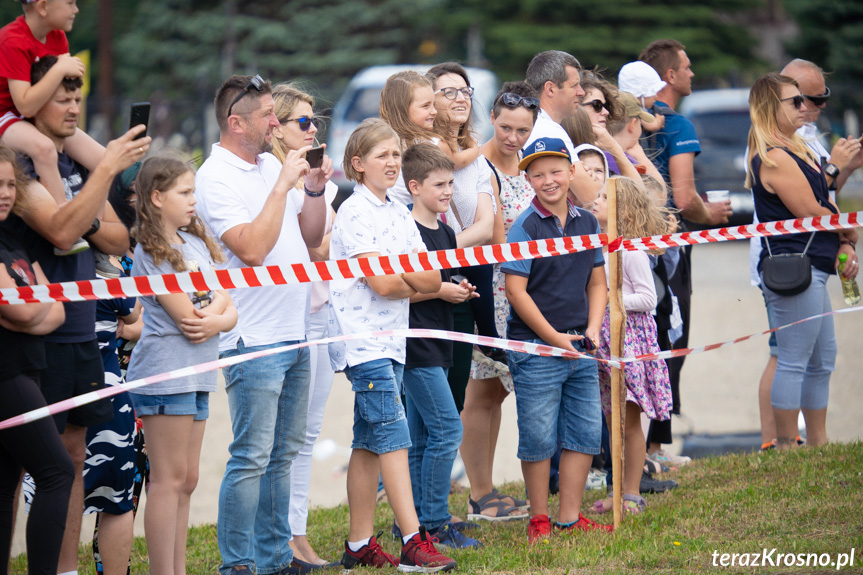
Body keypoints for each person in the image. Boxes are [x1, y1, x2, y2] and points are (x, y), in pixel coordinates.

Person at [7, 54, 148, 575]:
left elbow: (115, 236)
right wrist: (97, 184)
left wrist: (79, 209)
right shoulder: (18, 165)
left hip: (83, 327)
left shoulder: (74, 161)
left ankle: (65, 567)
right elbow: (62, 232)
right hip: (38, 333)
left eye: (76, 99)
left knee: (71, 459)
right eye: (61, 98)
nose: (71, 108)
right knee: (34, 464)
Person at [194, 73, 330, 575]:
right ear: (236, 123)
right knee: (250, 456)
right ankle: (238, 565)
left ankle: (276, 559)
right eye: (267, 114)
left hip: (294, 332)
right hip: (252, 338)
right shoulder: (216, 177)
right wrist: (281, 184)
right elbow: (251, 250)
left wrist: (312, 190)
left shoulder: (272, 162)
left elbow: (311, 239)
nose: (277, 122)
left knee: (282, 455)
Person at [328, 118, 455, 571]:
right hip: (364, 344)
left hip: (393, 339)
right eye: (382, 155)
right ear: (358, 164)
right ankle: (411, 540)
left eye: (397, 154)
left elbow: (432, 278)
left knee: (367, 442)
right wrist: (404, 277)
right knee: (393, 437)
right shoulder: (355, 211)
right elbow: (383, 284)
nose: (392, 162)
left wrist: (399, 276)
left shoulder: (399, 212)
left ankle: (359, 544)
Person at [126, 156, 237, 575]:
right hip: (165, 374)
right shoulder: (152, 253)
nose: (194, 200)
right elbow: (188, 317)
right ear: (156, 197)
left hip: (199, 371)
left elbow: (226, 304)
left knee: (187, 480)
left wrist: (219, 316)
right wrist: (217, 314)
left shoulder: (192, 245)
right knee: (168, 481)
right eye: (185, 193)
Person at [502, 137, 612, 542]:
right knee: (538, 435)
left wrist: (594, 328)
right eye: (538, 173)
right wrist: (552, 338)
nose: (549, 180)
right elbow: (516, 291)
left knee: (584, 432)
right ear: (527, 178)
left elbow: (597, 282)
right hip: (535, 349)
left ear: (570, 172)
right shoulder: (523, 226)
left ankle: (569, 515)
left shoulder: (586, 221)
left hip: (581, 345)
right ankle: (539, 518)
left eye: (555, 171)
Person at [750, 59, 863, 449]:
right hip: (794, 264)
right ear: (771, 108)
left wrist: (845, 237)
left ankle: (817, 442)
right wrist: (846, 228)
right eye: (794, 101)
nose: (804, 107)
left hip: (812, 264)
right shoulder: (775, 156)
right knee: (794, 359)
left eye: (804, 100)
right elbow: (812, 211)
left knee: (822, 359)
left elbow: (821, 199)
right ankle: (785, 444)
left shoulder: (795, 149)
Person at [639, 39, 731, 468]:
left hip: (630, 247)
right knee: (672, 336)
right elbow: (683, 194)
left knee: (640, 340)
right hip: (669, 247)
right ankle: (654, 447)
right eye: (687, 67)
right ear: (669, 76)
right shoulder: (677, 125)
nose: (693, 74)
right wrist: (710, 214)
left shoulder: (625, 122)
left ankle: (638, 448)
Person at [460, 82, 540, 522]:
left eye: (522, 129)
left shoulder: (529, 166)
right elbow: (494, 235)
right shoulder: (479, 166)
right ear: (492, 117)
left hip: (524, 287)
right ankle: (480, 492)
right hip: (491, 289)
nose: (512, 137)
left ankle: (485, 488)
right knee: (481, 390)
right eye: (506, 127)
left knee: (498, 392)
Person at [269, 83, 341, 570]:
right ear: (275, 127)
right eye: (303, 122)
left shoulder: (320, 182)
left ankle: (296, 533)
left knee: (307, 434)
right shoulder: (272, 181)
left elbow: (324, 248)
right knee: (277, 440)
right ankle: (280, 537)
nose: (314, 129)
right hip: (278, 321)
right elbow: (316, 247)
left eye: (315, 121)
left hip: (318, 315)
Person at [402, 142, 481, 548]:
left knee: (421, 437)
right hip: (415, 343)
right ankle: (433, 524)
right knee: (448, 429)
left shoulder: (447, 230)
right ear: (415, 186)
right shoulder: (406, 230)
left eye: (451, 182)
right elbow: (396, 290)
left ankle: (414, 522)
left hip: (441, 336)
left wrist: (459, 289)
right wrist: (441, 293)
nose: (448, 191)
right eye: (439, 184)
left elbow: (442, 281)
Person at [0, 144, 73, 575]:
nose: (6, 193)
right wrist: (30, 314)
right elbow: (29, 308)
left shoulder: (11, 236)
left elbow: (56, 308)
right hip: (6, 374)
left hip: (27, 366)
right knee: (56, 471)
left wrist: (27, 316)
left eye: (11, 184)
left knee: (5, 483)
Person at [590, 176, 675, 516]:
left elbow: (649, 297)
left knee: (629, 422)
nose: (594, 200)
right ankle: (616, 489)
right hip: (607, 345)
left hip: (629, 342)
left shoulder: (631, 249)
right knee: (613, 422)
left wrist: (610, 297)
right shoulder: (599, 244)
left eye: (603, 197)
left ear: (621, 209)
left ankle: (632, 493)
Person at [0, 0, 106, 257]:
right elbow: (24, 105)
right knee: (44, 148)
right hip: (6, 116)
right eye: (70, 3)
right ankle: (63, 218)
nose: (76, 10)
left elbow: (55, 91)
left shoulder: (57, 37)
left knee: (103, 159)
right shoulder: (12, 40)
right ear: (43, 7)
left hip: (33, 117)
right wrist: (59, 68)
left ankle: (95, 231)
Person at [426, 62, 498, 415]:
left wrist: (445, 249)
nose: (460, 98)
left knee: (455, 401)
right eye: (448, 92)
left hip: (464, 281)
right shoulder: (424, 149)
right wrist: (443, 255)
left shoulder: (477, 156)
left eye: (465, 91)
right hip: (429, 285)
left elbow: (487, 226)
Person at [524, 51, 601, 207]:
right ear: (550, 89)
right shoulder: (548, 130)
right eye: (574, 85)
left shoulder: (530, 122)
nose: (581, 92)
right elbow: (593, 198)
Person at [617, 61, 667, 133]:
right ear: (640, 93)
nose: (656, 96)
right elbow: (653, 125)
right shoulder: (631, 107)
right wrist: (659, 121)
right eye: (652, 92)